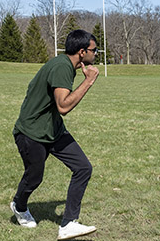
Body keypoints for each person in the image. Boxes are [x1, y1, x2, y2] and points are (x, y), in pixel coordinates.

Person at [10, 29, 99, 240]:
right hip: (31, 132)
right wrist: (89, 82)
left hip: (54, 131)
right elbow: (63, 106)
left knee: (83, 168)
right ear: (81, 51)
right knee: (34, 177)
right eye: (94, 51)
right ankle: (19, 206)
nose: (96, 55)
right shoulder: (61, 67)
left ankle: (69, 223)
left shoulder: (67, 65)